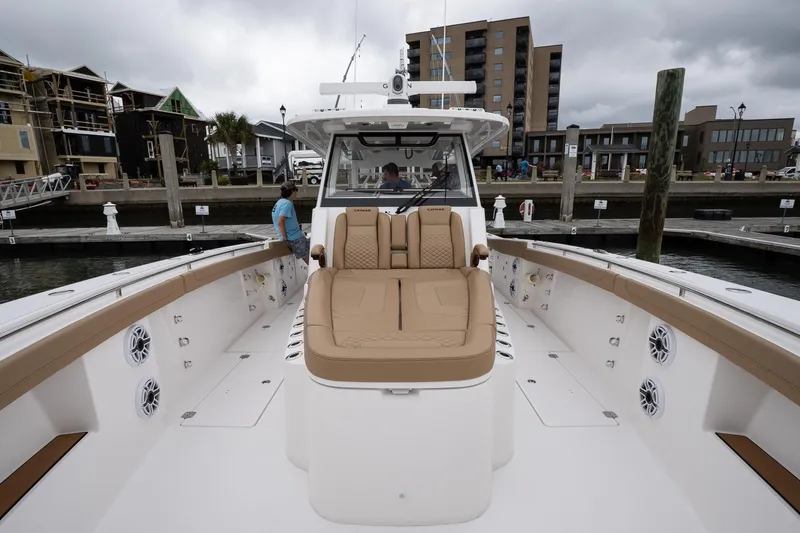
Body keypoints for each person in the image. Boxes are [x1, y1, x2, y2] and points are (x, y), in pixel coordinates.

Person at [272, 181, 309, 264]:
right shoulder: (287, 204)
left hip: (296, 237)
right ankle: (318, 275)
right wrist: (285, 238)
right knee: (311, 262)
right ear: (292, 191)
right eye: (296, 190)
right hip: (295, 239)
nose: (296, 193)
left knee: (314, 253)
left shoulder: (279, 202)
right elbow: (280, 221)